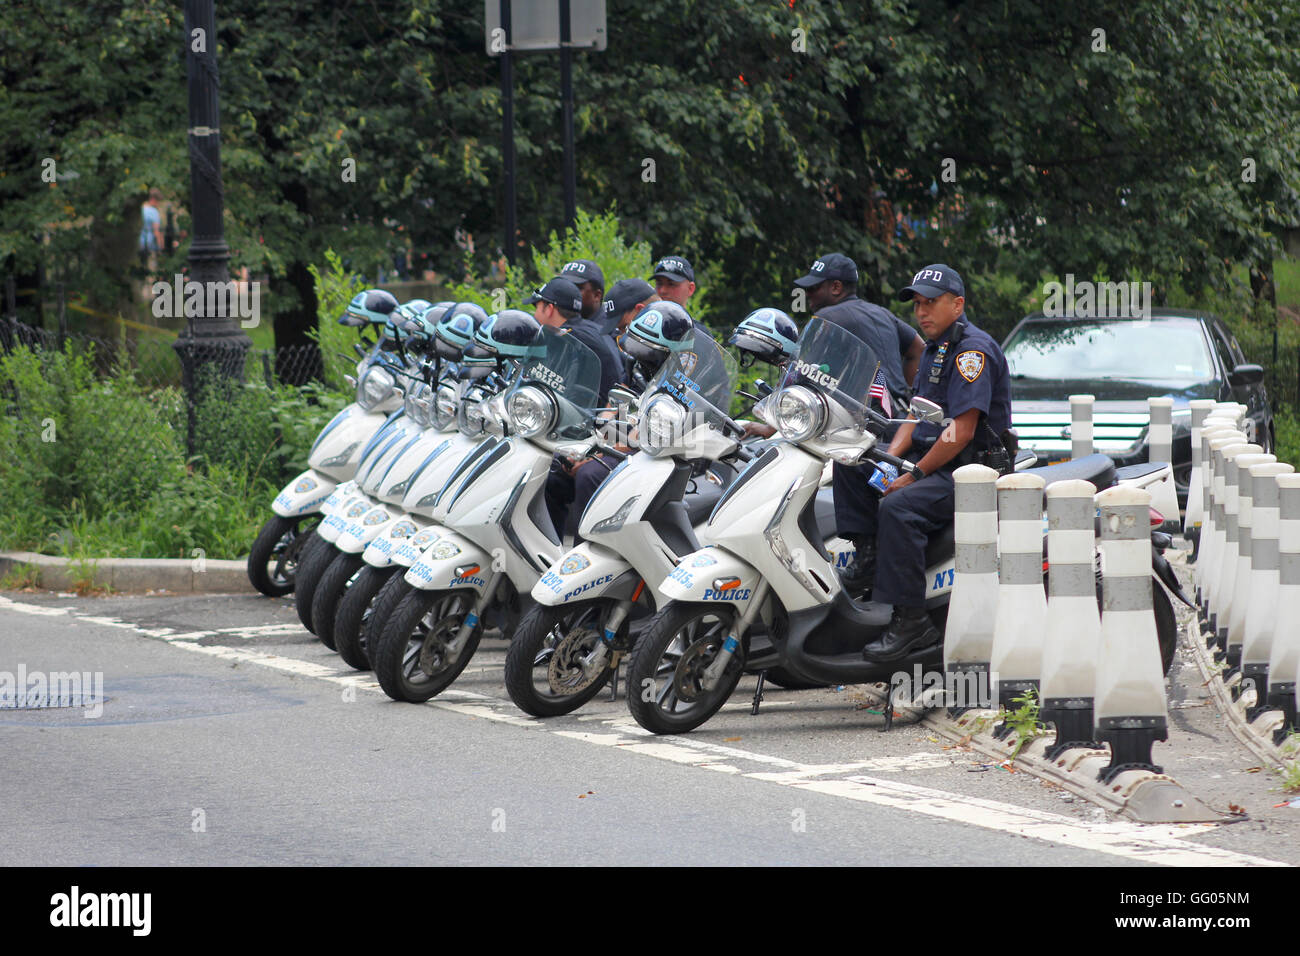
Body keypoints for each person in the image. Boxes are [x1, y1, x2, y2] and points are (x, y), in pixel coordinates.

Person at [853, 264, 1012, 663]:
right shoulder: (935, 348)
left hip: (970, 471)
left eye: (931, 303)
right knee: (852, 467)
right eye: (918, 304)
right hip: (934, 460)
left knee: (899, 508)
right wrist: (889, 459)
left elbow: (961, 430)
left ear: (957, 304)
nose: (921, 312)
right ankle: (868, 561)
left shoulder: (971, 351)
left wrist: (914, 472)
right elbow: (915, 415)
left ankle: (911, 621)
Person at [792, 253, 925, 571]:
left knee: (846, 463)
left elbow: (800, 379)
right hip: (895, 423)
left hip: (865, 427)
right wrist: (907, 392)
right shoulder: (881, 313)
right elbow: (918, 350)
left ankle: (866, 554)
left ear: (836, 287)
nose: (808, 295)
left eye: (815, 288)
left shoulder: (828, 318)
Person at [138, 188, 164, 272]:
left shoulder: (142, 209)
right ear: (153, 199)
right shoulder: (154, 212)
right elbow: (156, 231)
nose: (159, 204)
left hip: (140, 243)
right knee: (151, 270)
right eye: (158, 201)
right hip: (150, 245)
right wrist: (160, 248)